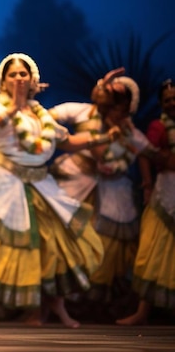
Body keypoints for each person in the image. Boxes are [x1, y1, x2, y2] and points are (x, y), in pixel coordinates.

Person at [0, 53, 118, 329]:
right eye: (12, 74)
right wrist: (12, 110)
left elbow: (69, 141)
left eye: (23, 74)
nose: (18, 78)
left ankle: (43, 310)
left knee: (51, 245)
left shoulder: (42, 115)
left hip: (40, 183)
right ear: (3, 82)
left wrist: (102, 137)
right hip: (3, 181)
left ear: (32, 79)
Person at [48, 71, 159, 318]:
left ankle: (89, 304)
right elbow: (47, 118)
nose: (115, 114)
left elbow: (148, 152)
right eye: (112, 106)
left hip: (111, 190)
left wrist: (147, 181)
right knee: (63, 236)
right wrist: (63, 138)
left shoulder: (130, 134)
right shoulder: (83, 112)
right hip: (75, 180)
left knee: (104, 245)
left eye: (121, 109)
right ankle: (52, 302)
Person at [116, 79, 175, 325]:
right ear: (161, 104)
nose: (172, 103)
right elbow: (144, 153)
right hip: (166, 189)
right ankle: (142, 312)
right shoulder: (158, 126)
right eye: (167, 100)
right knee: (154, 248)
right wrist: (148, 185)